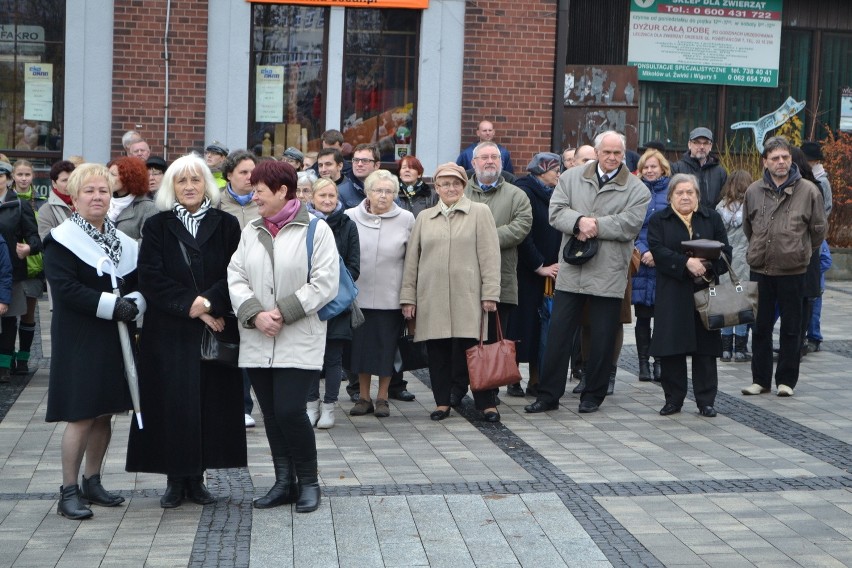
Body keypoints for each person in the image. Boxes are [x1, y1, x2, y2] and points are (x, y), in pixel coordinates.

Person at [126, 154, 246, 508]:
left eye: (196, 180)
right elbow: (149, 275)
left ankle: (198, 479)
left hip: (214, 330)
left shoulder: (226, 225)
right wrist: (191, 307)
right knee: (172, 405)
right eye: (182, 181)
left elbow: (237, 274)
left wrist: (208, 304)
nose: (189, 186)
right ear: (171, 187)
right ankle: (175, 480)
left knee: (208, 405)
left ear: (206, 184)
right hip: (169, 330)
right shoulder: (158, 225)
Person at [228, 159, 339, 514]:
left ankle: (308, 482)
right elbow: (236, 276)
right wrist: (254, 314)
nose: (254, 194)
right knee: (272, 415)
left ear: (281, 191)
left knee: (291, 410)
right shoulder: (251, 230)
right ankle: (283, 482)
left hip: (298, 336)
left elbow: (325, 283)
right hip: (259, 337)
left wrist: (281, 312)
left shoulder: (316, 230)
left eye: (260, 188)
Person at [43, 163, 146, 519]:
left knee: (105, 412)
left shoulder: (123, 242)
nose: (97, 197)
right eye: (89, 191)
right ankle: (68, 490)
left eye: (103, 190)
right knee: (81, 413)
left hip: (115, 335)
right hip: (80, 336)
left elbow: (137, 284)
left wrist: (134, 304)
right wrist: (113, 306)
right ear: (74, 196)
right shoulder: (61, 239)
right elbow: (66, 289)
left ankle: (93, 481)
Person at [525, 131, 650, 414]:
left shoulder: (637, 188)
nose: (611, 158)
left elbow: (629, 225)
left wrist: (594, 226)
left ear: (624, 154)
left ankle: (593, 395)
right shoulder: (571, 178)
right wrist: (579, 221)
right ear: (596, 152)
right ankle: (548, 395)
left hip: (609, 271)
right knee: (558, 335)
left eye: (617, 153)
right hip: (572, 270)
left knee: (603, 337)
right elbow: (555, 213)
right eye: (606, 152)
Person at [401, 163, 501, 421]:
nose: (450, 188)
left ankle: (486, 403)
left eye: (456, 183)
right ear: (436, 188)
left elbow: (490, 256)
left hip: (469, 296)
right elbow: (412, 260)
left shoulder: (480, 212)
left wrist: (490, 293)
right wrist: (408, 298)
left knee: (476, 350)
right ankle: (442, 402)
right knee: (438, 352)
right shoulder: (424, 217)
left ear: (464, 186)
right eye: (444, 184)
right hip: (432, 296)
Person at [741, 136, 826, 398]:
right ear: (765, 161)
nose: (781, 162)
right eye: (775, 158)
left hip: (793, 270)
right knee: (761, 327)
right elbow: (748, 227)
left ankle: (786, 381)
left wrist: (799, 251)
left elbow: (818, 231)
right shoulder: (753, 191)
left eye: (785, 157)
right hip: (762, 268)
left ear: (791, 159)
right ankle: (760, 380)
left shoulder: (809, 190)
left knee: (792, 328)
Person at [647, 174, 731, 417]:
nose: (685, 196)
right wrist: (686, 263)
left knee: (705, 350)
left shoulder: (711, 217)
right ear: (671, 195)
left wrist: (706, 266)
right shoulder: (658, 220)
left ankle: (706, 401)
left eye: (690, 192)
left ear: (697, 195)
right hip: (672, 293)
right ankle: (674, 399)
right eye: (680, 192)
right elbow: (658, 251)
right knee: (672, 348)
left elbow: (726, 252)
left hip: (704, 292)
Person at [464, 141, 532, 401]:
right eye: (484, 157)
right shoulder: (461, 192)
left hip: (500, 279)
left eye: (495, 157)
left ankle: (488, 393)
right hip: (464, 280)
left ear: (502, 163)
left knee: (493, 339)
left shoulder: (517, 195)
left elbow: (521, 227)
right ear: (474, 163)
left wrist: (482, 236)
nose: (489, 161)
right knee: (464, 337)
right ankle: (459, 387)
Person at [345, 170, 414, 418]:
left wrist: (409, 298)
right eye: (378, 190)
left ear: (395, 194)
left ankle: (383, 397)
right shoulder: (349, 216)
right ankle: (363, 397)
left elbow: (412, 261)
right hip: (358, 296)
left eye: (388, 191)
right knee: (361, 349)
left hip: (391, 297)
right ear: (368, 192)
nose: (383, 196)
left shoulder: (406, 219)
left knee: (387, 349)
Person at [305, 177, 360, 429]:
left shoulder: (348, 225)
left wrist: (329, 286)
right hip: (308, 300)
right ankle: (310, 405)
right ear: (312, 198)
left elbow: (353, 266)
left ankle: (329, 407)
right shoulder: (304, 223)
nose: (327, 201)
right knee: (309, 357)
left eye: (332, 196)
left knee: (333, 357)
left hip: (337, 302)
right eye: (322, 196)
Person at [507, 153, 562, 397]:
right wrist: (539, 264)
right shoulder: (524, 192)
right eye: (555, 169)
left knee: (543, 327)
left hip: (550, 271)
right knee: (521, 326)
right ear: (541, 171)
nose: (559, 173)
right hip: (526, 271)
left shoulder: (556, 193)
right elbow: (523, 234)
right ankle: (512, 378)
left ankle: (537, 379)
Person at [218, 149, 259, 428]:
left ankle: (252, 404)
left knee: (254, 345)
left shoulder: (264, 202)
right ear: (229, 175)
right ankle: (237, 403)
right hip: (227, 283)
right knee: (232, 345)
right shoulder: (216, 204)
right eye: (243, 172)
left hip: (259, 284)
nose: (249, 178)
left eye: (252, 172)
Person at [631, 149, 672, 381]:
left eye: (653, 166)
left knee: (663, 317)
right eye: (645, 167)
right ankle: (642, 364)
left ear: (663, 168)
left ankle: (659, 362)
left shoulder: (671, 191)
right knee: (643, 317)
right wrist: (643, 250)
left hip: (663, 262)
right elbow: (630, 226)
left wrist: (658, 254)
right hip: (641, 262)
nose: (649, 170)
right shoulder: (635, 191)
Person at [0, 161, 42, 380]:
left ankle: (4, 365)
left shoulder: (18, 204)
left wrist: (28, 248)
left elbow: (35, 238)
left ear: (8, 179)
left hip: (12, 271)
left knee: (8, 317)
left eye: (1, 175)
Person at [715, 170, 754, 362]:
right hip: (745, 261)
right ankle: (740, 349)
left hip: (725, 261)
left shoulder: (720, 207)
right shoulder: (752, 207)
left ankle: (724, 350)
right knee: (742, 305)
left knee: (726, 305)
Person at [671, 127, 727, 208]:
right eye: (697, 142)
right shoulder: (677, 169)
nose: (701, 147)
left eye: (706, 143)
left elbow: (724, 200)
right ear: (689, 144)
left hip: (711, 219)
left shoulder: (720, 172)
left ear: (710, 146)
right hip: (684, 218)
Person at [107, 157, 158, 241]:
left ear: (128, 178)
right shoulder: (104, 202)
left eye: (113, 174)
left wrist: (117, 245)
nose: (107, 178)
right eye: (107, 174)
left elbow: (148, 243)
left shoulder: (148, 207)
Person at [38, 160, 76, 239]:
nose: (69, 184)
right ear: (54, 183)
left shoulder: (85, 204)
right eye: (64, 180)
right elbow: (47, 240)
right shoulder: (46, 210)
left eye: (72, 180)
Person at [341, 143, 381, 208]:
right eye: (356, 160)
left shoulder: (388, 189)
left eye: (365, 161)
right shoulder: (341, 192)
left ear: (376, 165)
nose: (359, 164)